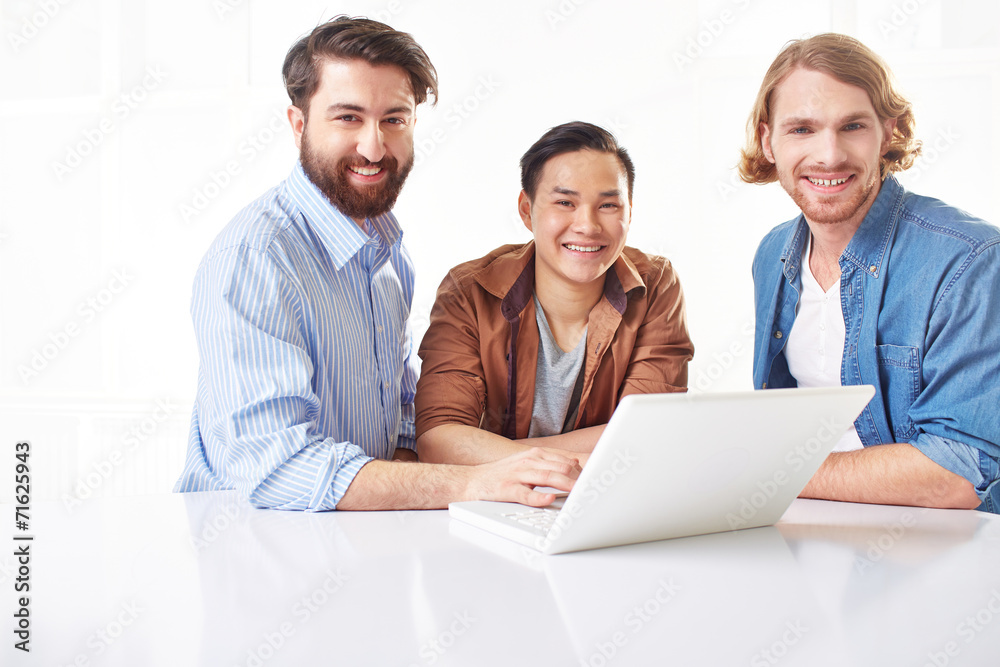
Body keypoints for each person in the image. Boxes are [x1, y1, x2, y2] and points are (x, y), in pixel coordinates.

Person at [174, 17, 581, 510]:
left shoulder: (387, 250)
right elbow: (278, 468)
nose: (373, 147)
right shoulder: (255, 258)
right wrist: (471, 484)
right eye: (348, 118)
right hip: (251, 542)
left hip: (359, 537)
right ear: (299, 125)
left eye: (394, 119)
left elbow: (399, 420)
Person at [739, 33, 999, 512]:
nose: (829, 155)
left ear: (889, 133)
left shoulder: (970, 260)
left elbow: (960, 472)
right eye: (802, 129)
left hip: (937, 546)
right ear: (767, 141)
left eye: (853, 126)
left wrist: (770, 471)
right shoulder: (773, 253)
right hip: (804, 524)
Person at [416, 122, 693, 465]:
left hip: (606, 494)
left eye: (608, 205)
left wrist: (494, 454)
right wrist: (591, 453)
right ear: (526, 209)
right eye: (565, 202)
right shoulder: (469, 291)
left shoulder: (655, 285)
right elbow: (439, 442)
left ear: (630, 211)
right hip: (494, 496)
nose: (587, 226)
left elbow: (650, 434)